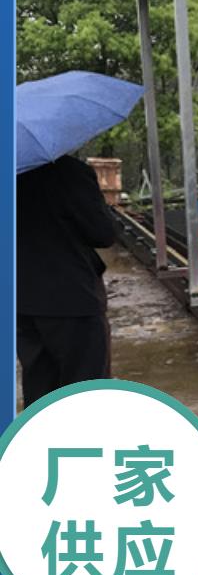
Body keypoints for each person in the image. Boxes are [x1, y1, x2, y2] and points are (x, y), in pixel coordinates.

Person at [16, 155, 116, 406]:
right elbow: (103, 234)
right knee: (85, 392)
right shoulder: (68, 172)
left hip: (21, 298)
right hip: (72, 298)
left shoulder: (10, 173)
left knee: (39, 385)